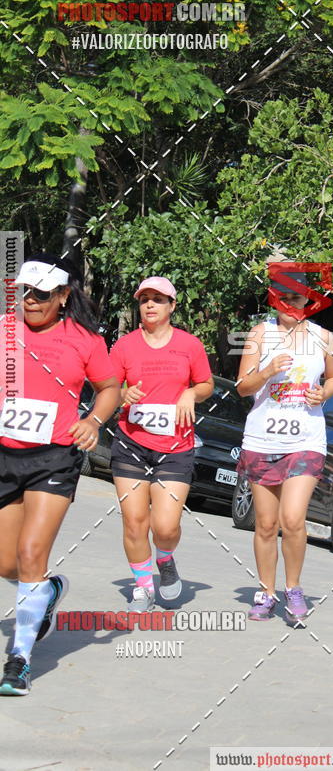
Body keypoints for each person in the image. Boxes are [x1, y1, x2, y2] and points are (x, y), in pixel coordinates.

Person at [0, 252, 120, 695]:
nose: (30, 301)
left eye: (42, 294)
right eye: (24, 292)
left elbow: (109, 388)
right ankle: (47, 592)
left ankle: (19, 661)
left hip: (54, 456)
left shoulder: (85, 340)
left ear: (64, 296)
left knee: (31, 553)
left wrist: (93, 421)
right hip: (5, 455)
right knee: (6, 563)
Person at [236, 267, 333, 622]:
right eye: (283, 298)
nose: (289, 305)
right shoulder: (259, 334)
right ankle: (266, 593)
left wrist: (322, 392)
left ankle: (293, 590)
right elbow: (243, 387)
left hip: (306, 439)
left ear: (309, 301)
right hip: (263, 438)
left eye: (297, 298)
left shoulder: (323, 337)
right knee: (266, 524)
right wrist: (266, 373)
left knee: (293, 519)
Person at [109, 277, 213, 612]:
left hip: (175, 446)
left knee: (165, 526)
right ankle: (142, 586)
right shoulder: (125, 346)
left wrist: (190, 392)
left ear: (172, 306)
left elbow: (207, 384)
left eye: (158, 299)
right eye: (144, 299)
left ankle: (165, 558)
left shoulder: (189, 345)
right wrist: (123, 394)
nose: (150, 305)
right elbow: (107, 389)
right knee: (134, 521)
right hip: (131, 443)